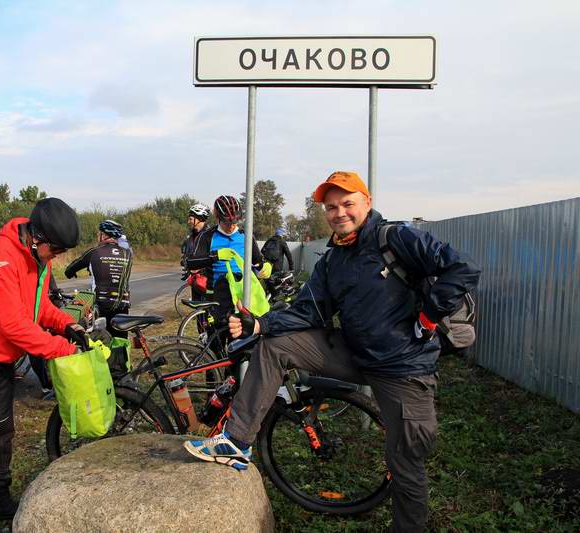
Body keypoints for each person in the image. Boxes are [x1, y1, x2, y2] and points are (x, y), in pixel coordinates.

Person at [184, 171, 481, 533]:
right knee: (274, 346)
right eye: (331, 207)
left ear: (366, 203)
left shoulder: (395, 237)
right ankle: (237, 441)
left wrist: (429, 315)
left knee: (405, 464)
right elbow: (309, 309)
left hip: (402, 367)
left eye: (347, 203)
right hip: (354, 352)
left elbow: (461, 268)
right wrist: (259, 324)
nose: (339, 212)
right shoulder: (332, 258)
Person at [0, 197, 86, 533]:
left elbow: (39, 306)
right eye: (56, 250)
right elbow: (13, 324)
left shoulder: (37, 258)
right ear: (36, 238)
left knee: (4, 431)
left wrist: (67, 324)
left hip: (2, 355)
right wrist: (60, 349)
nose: (58, 257)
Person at [184, 195, 266, 347]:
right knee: (215, 347)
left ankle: (233, 371)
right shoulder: (208, 236)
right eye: (227, 222)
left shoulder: (246, 236)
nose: (231, 226)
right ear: (216, 216)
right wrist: (215, 256)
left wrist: (265, 266)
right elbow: (190, 263)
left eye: (234, 221)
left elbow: (258, 261)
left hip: (241, 300)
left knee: (239, 349)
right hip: (216, 299)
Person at [64, 219, 133, 339]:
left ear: (105, 235)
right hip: (122, 304)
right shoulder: (128, 254)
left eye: (99, 233)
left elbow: (69, 270)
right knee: (120, 342)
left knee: (100, 342)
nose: (97, 235)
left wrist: (72, 272)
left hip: (101, 305)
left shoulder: (94, 252)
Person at [181, 203, 211, 300]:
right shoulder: (192, 236)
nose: (188, 221)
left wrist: (201, 269)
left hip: (207, 279)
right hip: (195, 280)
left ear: (198, 218)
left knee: (208, 310)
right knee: (198, 309)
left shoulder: (209, 235)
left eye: (190, 219)